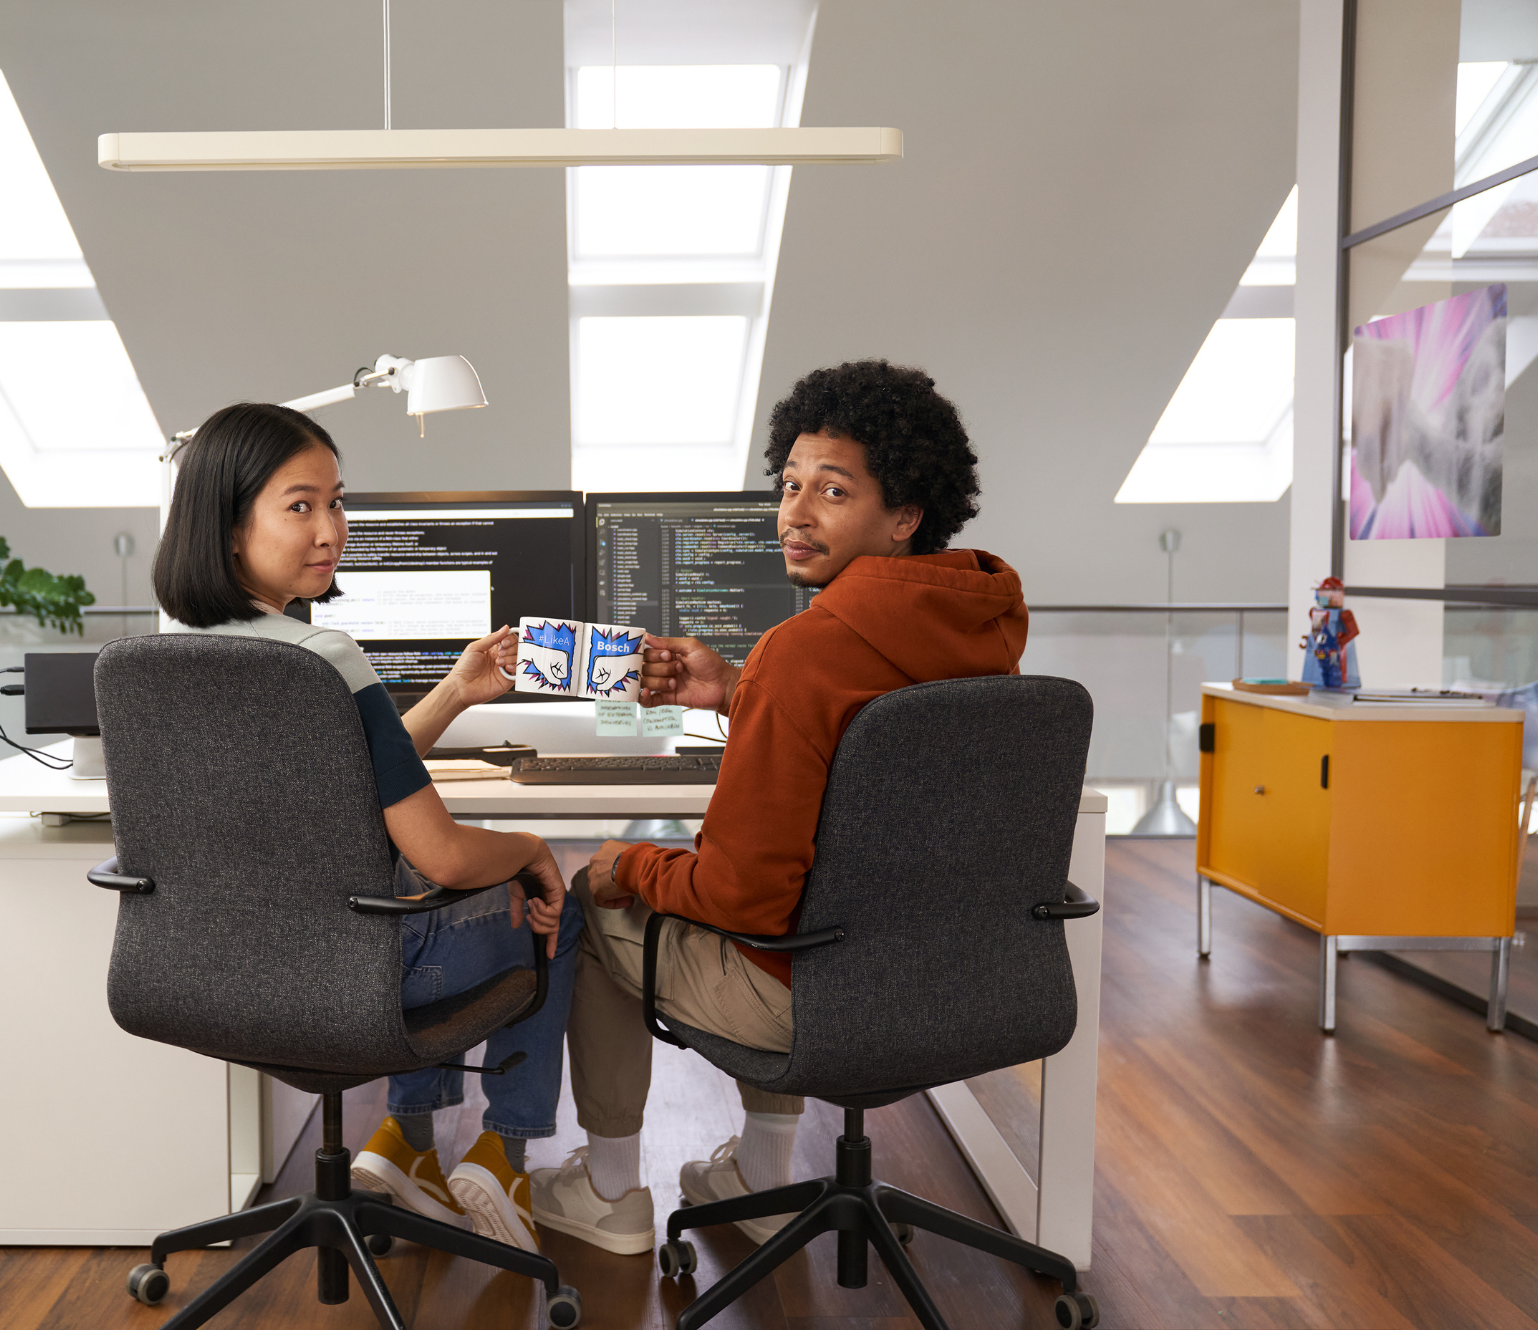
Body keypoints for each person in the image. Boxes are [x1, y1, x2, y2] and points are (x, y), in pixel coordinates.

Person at [527, 360, 1028, 1256]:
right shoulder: (980, 626)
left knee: (593, 901)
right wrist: (740, 691)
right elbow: (875, 761)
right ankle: (761, 1180)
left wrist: (626, 866)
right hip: (952, 976)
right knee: (785, 898)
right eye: (789, 484)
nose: (794, 513)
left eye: (831, 491)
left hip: (810, 991)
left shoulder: (807, 650)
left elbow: (745, 899)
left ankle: (608, 1197)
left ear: (905, 513)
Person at [152, 402, 583, 1254]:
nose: (331, 529)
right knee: (550, 906)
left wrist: (455, 692)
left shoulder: (170, 656)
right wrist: (535, 853)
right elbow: (445, 853)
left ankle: (405, 1145)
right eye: (300, 505)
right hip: (356, 973)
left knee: (418, 895)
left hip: (209, 972)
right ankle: (504, 1151)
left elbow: (347, 783)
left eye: (337, 502)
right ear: (230, 527)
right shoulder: (324, 659)